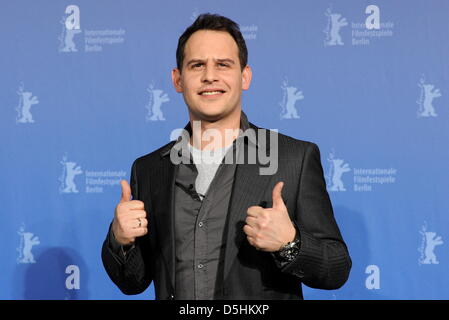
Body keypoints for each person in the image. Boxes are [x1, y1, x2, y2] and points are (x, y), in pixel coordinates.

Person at [101, 13, 351, 300]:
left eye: (223, 64)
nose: (210, 76)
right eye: (197, 65)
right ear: (177, 79)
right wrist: (121, 240)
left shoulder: (294, 159)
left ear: (244, 77)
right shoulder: (148, 169)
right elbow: (132, 282)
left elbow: (336, 269)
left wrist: (289, 243)